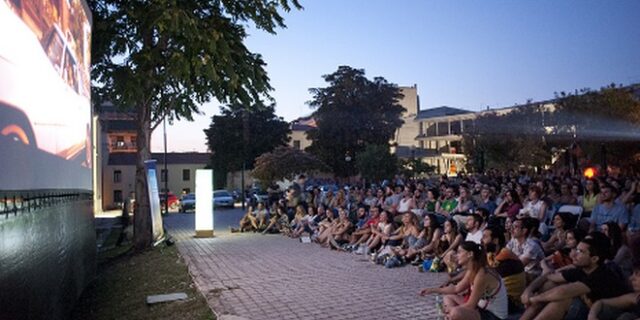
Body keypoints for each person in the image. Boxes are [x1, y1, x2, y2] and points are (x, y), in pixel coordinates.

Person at [520, 233, 630, 320]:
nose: (574, 254)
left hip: (609, 313)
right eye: (576, 250)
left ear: (594, 259)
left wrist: (534, 299)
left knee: (563, 300)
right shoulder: (582, 269)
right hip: (589, 306)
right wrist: (528, 291)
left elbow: (563, 292)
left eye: (581, 252)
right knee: (550, 285)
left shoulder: (602, 274)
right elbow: (549, 276)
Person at [419, 241, 509, 320]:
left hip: (494, 316)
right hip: (482, 308)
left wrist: (451, 311)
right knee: (448, 297)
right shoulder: (472, 270)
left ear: (470, 254)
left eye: (459, 252)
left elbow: (470, 305)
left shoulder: (482, 274)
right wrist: (431, 290)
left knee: (455, 313)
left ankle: (451, 316)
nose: (456, 255)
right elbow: (456, 289)